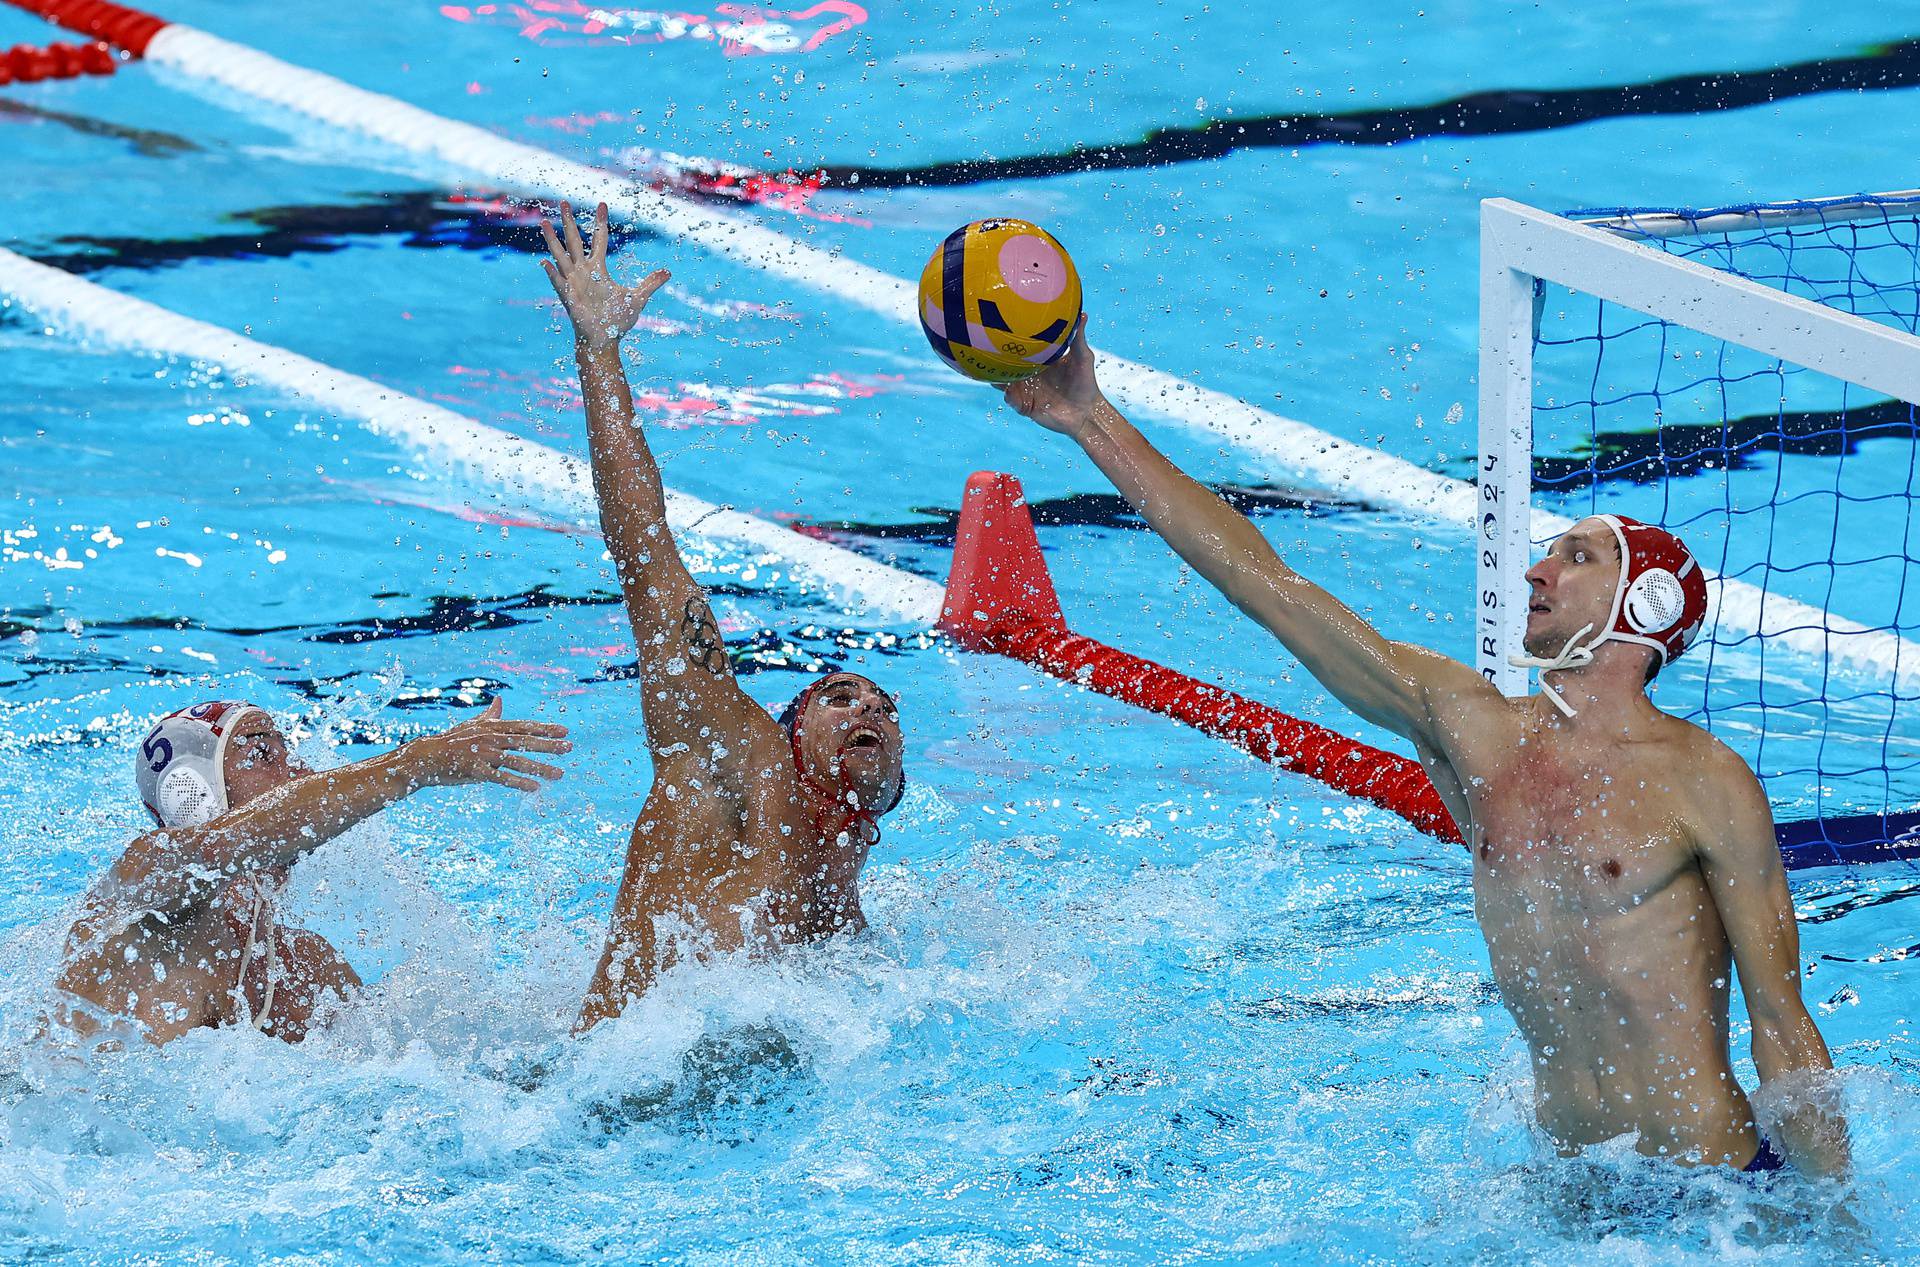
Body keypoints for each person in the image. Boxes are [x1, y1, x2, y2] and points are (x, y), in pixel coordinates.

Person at [1001, 320, 1849, 1177]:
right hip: (1567, 1188)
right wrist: (1089, 420)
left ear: (1650, 602)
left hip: (1712, 1191)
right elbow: (1269, 586)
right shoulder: (1476, 728)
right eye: (1546, 555)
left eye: (1576, 557)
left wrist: (1838, 1223)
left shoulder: (1705, 778)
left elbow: (1780, 1021)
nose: (1534, 573)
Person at [537, 202, 907, 1034]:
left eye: (885, 705)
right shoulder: (732, 754)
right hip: (598, 1104)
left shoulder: (843, 898)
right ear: (791, 726)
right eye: (842, 696)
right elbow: (646, 554)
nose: (871, 710)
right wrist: (599, 352)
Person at [54, 698, 569, 1045]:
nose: (301, 774)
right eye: (262, 755)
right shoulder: (145, 883)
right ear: (196, 796)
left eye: (292, 755)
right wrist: (413, 766)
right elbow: (236, 839)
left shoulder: (304, 967)